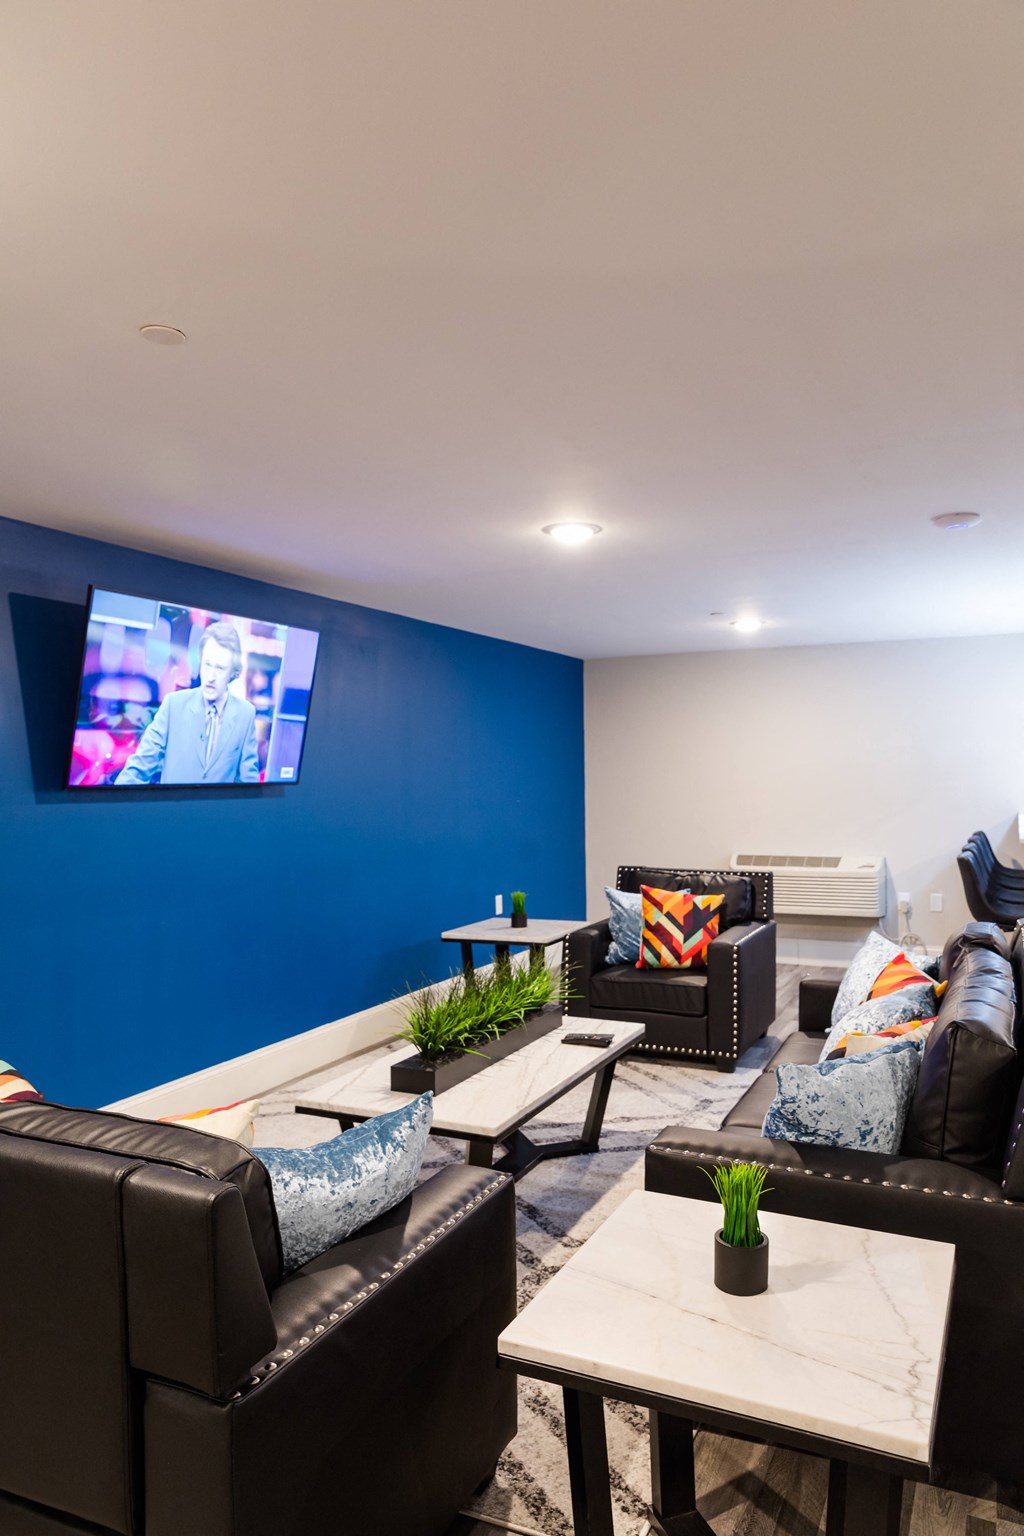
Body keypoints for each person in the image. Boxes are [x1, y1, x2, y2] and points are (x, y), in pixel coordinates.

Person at [115, 622, 260, 785]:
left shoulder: (245, 714)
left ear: (233, 672)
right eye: (207, 665)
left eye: (220, 668)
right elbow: (138, 768)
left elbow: (248, 784)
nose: (211, 676)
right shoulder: (173, 705)